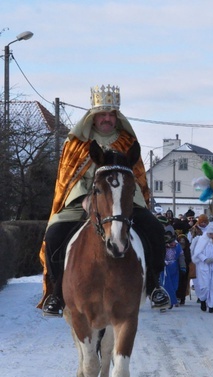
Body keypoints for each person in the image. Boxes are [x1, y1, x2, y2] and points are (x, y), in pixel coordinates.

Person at [38, 84, 169, 316]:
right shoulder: (77, 143)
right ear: (93, 116)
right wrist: (87, 197)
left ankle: (153, 285)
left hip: (124, 201)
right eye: (102, 114)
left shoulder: (127, 142)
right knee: (55, 233)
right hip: (83, 200)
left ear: (116, 117)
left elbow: (136, 177)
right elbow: (68, 178)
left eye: (111, 114)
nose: (106, 119)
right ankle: (57, 293)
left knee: (155, 230)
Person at [192, 221, 213, 313]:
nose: (211, 235)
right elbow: (197, 252)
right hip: (203, 266)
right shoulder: (201, 239)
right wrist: (204, 258)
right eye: (210, 233)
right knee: (205, 285)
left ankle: (211, 306)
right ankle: (203, 299)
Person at [161, 226, 186, 310]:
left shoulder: (177, 245)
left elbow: (181, 256)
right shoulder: (161, 244)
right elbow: (157, 255)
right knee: (165, 285)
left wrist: (183, 267)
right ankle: (165, 302)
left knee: (174, 285)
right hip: (164, 268)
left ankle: (171, 300)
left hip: (174, 268)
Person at [176, 233, 192, 305]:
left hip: (185, 269)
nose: (182, 242)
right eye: (180, 240)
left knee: (183, 284)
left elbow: (189, 259)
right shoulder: (176, 249)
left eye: (183, 240)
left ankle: (182, 298)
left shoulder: (188, 249)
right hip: (176, 268)